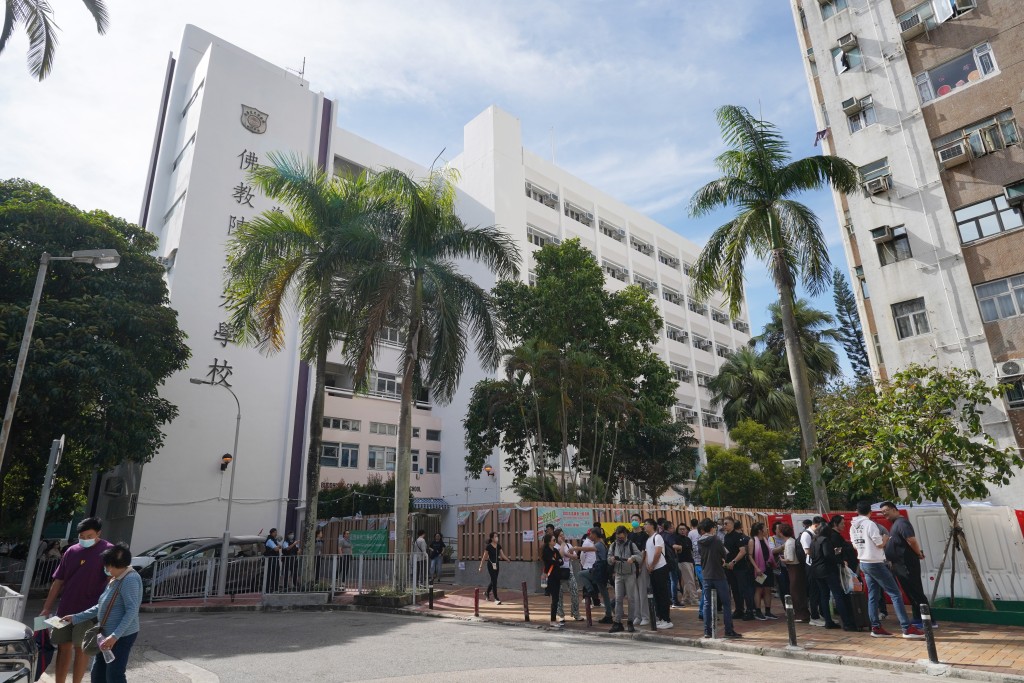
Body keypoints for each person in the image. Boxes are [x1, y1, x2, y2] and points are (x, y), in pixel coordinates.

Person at [40, 517, 115, 683]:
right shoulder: (71, 551)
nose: (85, 540)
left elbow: (113, 580)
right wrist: (46, 607)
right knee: (62, 647)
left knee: (81, 649)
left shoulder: (109, 551)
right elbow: (58, 580)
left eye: (89, 536)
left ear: (99, 534)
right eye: (82, 536)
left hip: (90, 611)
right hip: (65, 609)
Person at [64, 543, 142, 683]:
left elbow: (132, 611)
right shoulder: (115, 578)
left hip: (120, 636)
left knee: (114, 675)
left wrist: (114, 636)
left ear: (114, 565)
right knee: (98, 674)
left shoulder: (129, 580)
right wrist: (75, 617)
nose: (105, 569)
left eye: (107, 566)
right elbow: (101, 606)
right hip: (106, 635)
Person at [850, 501, 924, 639]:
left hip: (864, 563)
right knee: (895, 594)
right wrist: (885, 538)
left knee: (873, 595)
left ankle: (876, 627)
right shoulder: (869, 524)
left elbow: (855, 545)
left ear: (857, 511)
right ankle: (907, 628)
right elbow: (879, 544)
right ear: (870, 512)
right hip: (876, 563)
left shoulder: (853, 526)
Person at [880, 501, 932, 628]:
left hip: (907, 564)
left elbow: (911, 540)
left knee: (916, 591)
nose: (884, 513)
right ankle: (918, 618)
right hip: (899, 565)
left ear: (894, 509)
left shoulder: (902, 523)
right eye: (882, 512)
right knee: (910, 592)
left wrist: (919, 553)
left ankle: (929, 620)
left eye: (886, 510)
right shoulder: (895, 524)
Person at [810, 517, 857, 631]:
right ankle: (846, 623)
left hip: (816, 570)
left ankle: (828, 621)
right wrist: (840, 561)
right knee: (838, 594)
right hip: (827, 570)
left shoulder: (814, 540)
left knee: (824, 595)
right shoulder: (825, 540)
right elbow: (828, 555)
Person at [697, 519, 741, 639]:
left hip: (706, 574)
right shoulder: (716, 539)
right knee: (726, 603)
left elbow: (701, 554)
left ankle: (707, 631)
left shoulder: (699, 541)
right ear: (711, 528)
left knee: (707, 603)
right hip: (718, 574)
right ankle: (729, 630)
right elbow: (724, 554)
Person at [607, 526, 642, 633]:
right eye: (618, 538)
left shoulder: (632, 545)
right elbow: (608, 558)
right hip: (618, 575)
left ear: (626, 535)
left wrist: (633, 558)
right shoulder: (613, 545)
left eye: (621, 538)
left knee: (631, 599)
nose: (619, 540)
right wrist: (611, 560)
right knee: (618, 599)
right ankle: (617, 622)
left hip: (630, 574)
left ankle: (630, 622)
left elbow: (640, 557)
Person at [722, 517, 754, 620]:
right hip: (730, 568)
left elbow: (743, 551)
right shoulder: (726, 537)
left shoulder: (738, 536)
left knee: (744, 589)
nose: (724, 526)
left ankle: (750, 611)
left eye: (726, 523)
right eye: (724, 524)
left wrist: (734, 562)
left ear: (732, 524)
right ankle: (739, 610)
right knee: (735, 589)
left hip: (740, 568)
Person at [643, 519, 672, 629]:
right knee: (656, 595)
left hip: (660, 568)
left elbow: (658, 553)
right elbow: (646, 554)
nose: (644, 526)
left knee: (662, 594)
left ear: (652, 526)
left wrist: (652, 565)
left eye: (646, 524)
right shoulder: (648, 539)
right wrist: (647, 566)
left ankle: (667, 619)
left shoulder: (657, 537)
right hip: (652, 570)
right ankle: (660, 617)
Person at [781, 523, 810, 622]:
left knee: (795, 592)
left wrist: (782, 560)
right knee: (800, 591)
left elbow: (790, 558)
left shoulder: (789, 543)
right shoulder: (793, 540)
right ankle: (803, 613)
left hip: (794, 568)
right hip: (799, 568)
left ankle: (800, 614)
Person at [747, 522, 777, 620]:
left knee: (768, 588)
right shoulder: (752, 541)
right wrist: (757, 568)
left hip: (767, 567)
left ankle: (768, 611)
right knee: (759, 589)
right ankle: (758, 610)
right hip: (758, 569)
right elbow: (750, 556)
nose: (766, 529)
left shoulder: (765, 540)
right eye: (764, 528)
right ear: (760, 530)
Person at [627, 514, 650, 626]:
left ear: (640, 521)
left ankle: (645, 616)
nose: (634, 522)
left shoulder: (644, 535)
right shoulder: (629, 535)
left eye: (636, 520)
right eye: (632, 520)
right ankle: (637, 616)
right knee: (634, 592)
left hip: (641, 565)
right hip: (631, 565)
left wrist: (640, 566)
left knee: (642, 591)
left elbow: (644, 551)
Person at [800, 516, 824, 624]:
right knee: (814, 591)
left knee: (819, 591)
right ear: (816, 525)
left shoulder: (814, 534)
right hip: (811, 565)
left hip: (816, 565)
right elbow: (807, 551)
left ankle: (819, 614)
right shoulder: (806, 535)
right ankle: (814, 617)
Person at [554, 529, 581, 622]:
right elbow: (560, 556)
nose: (562, 537)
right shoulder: (555, 546)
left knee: (575, 591)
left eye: (563, 535)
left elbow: (575, 556)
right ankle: (561, 614)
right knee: (559, 594)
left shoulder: (569, 545)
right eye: (560, 535)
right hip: (558, 573)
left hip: (569, 572)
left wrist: (567, 554)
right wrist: (563, 548)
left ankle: (576, 613)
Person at [478, 532, 510, 603]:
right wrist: (480, 566)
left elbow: (502, 554)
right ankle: (496, 598)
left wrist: (507, 559)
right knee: (494, 581)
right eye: (495, 536)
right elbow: (484, 557)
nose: (497, 538)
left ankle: (487, 592)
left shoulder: (498, 546)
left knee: (493, 581)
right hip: (490, 565)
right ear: (492, 538)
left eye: (497, 536)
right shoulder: (488, 547)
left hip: (497, 565)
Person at [657, 519, 682, 608]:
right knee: (674, 580)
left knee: (667, 581)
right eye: (672, 527)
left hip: (663, 561)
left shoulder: (659, 535)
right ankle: (675, 600)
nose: (674, 528)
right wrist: (680, 547)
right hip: (671, 560)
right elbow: (674, 545)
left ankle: (669, 599)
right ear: (670, 528)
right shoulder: (670, 536)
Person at [541, 533, 563, 628]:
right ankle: (552, 620)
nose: (555, 541)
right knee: (554, 599)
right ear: (549, 542)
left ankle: (554, 619)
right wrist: (556, 561)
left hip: (557, 575)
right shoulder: (546, 551)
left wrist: (557, 561)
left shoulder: (555, 550)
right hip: (550, 576)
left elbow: (561, 561)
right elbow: (552, 561)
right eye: (554, 540)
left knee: (557, 598)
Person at [675, 522, 698, 606]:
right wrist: (679, 548)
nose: (682, 531)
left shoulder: (687, 539)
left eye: (684, 529)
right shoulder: (676, 538)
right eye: (680, 529)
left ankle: (685, 598)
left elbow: (691, 550)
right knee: (690, 580)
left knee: (687, 580)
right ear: (677, 530)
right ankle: (694, 599)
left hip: (690, 561)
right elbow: (674, 547)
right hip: (682, 561)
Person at [264, 528, 283, 593]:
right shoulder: (269, 540)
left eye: (276, 532)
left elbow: (280, 546)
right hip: (271, 560)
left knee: (276, 574)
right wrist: (277, 547)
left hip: (275, 559)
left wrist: (278, 546)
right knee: (271, 574)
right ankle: (269, 589)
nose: (276, 534)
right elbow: (276, 549)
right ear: (271, 533)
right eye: (275, 532)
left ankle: (275, 588)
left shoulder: (274, 540)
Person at [688, 518, 702, 585]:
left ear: (691, 524)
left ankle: (700, 585)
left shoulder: (690, 533)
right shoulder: (700, 531)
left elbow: (689, 543)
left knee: (697, 570)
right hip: (702, 552)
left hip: (695, 553)